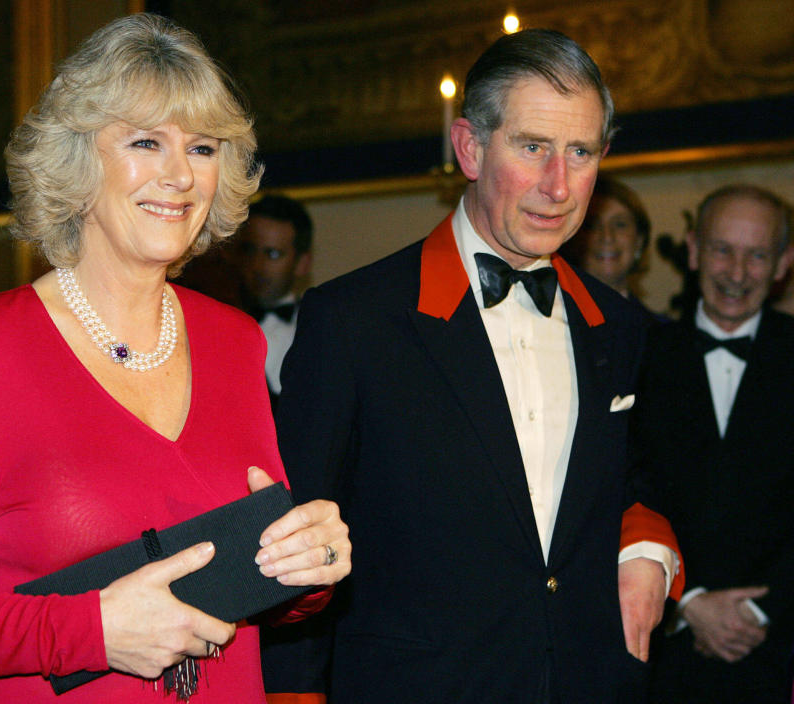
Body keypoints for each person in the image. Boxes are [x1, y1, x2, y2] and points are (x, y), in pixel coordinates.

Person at [0, 14, 350, 704]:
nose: (180, 175)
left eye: (203, 148)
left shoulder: (237, 342)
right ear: (79, 159)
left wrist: (306, 569)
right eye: (147, 142)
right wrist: (91, 628)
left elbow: (253, 578)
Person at [272, 28, 683, 703]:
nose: (558, 185)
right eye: (532, 147)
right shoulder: (354, 320)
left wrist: (645, 549)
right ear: (469, 148)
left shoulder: (620, 326)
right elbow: (296, 538)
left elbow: (637, 473)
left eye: (580, 152)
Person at [633, 185, 794, 704]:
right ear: (694, 250)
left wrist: (760, 611)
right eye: (723, 249)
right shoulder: (637, 357)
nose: (737, 272)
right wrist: (688, 603)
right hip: (661, 659)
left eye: (757, 255)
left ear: (783, 264)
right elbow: (617, 494)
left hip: (781, 652)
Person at [237, 194, 313, 406]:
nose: (257, 265)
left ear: (302, 263)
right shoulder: (211, 327)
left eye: (272, 254)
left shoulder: (321, 329)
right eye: (250, 250)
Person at [562, 177, 664, 321]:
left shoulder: (664, 335)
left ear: (639, 240)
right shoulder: (552, 327)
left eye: (620, 224)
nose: (607, 236)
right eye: (592, 224)